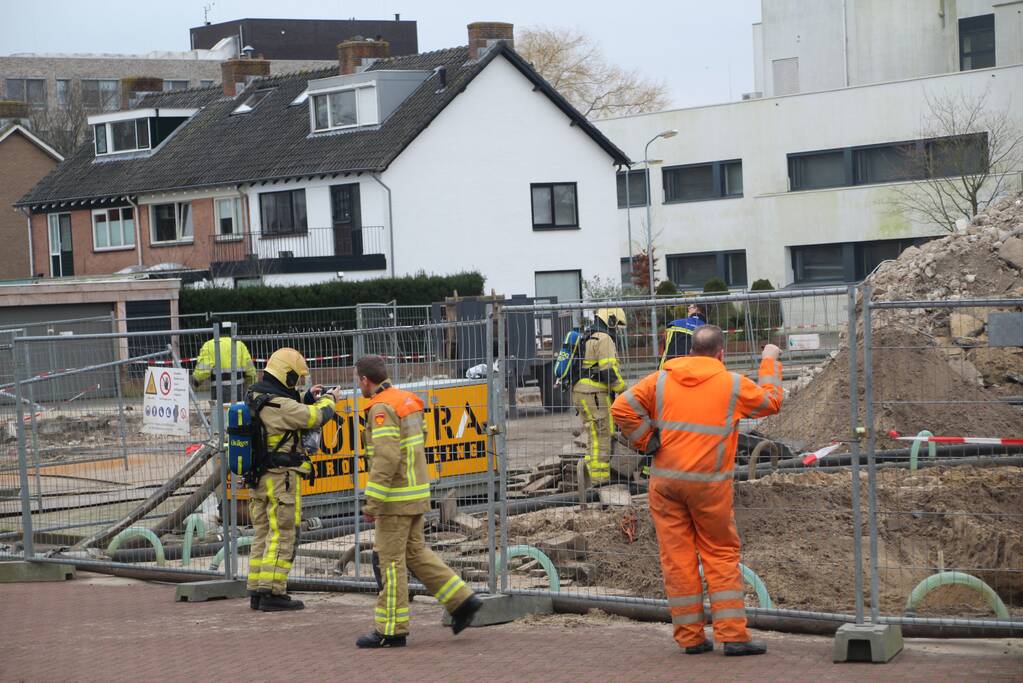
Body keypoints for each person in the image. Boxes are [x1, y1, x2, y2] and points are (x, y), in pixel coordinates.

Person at [611, 325, 783, 656]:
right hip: (708, 486)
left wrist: (647, 440)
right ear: (721, 354)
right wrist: (769, 360)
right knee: (719, 553)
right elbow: (772, 401)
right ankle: (733, 636)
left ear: (690, 351)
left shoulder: (662, 379)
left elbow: (621, 408)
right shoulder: (732, 384)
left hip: (665, 483)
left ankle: (690, 638)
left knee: (678, 560)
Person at [354, 354, 482, 648]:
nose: (358, 385)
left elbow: (386, 458)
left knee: (391, 562)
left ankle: (391, 630)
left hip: (394, 500)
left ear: (365, 380)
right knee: (416, 555)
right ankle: (462, 601)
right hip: (416, 493)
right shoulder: (407, 401)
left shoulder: (381, 408)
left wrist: (372, 502)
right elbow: (416, 444)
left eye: (358, 380)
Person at [245, 347, 340, 612]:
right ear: (286, 375)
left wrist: (307, 396)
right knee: (283, 533)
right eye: (295, 379)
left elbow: (289, 406)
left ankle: (256, 589)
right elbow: (315, 417)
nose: (296, 384)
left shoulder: (256, 395)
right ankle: (273, 592)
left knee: (262, 533)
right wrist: (329, 400)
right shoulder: (281, 405)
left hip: (260, 478)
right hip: (281, 479)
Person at [572, 307, 627, 484]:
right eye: (617, 325)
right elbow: (608, 370)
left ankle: (589, 479)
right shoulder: (604, 338)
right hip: (594, 393)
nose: (616, 330)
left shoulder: (589, 334)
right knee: (602, 434)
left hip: (582, 391)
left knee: (593, 435)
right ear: (610, 320)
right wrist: (624, 390)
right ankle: (600, 481)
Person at [192, 336, 257, 403]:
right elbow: (250, 371)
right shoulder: (239, 344)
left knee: (219, 412)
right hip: (239, 390)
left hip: (219, 391)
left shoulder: (209, 345)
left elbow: (203, 370)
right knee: (238, 411)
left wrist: (196, 380)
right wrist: (252, 384)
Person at [660, 303, 708, 368]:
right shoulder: (709, 331)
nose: (688, 308)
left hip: (671, 369)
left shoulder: (674, 324)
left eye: (690, 307)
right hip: (695, 370)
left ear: (696, 309)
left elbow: (663, 350)